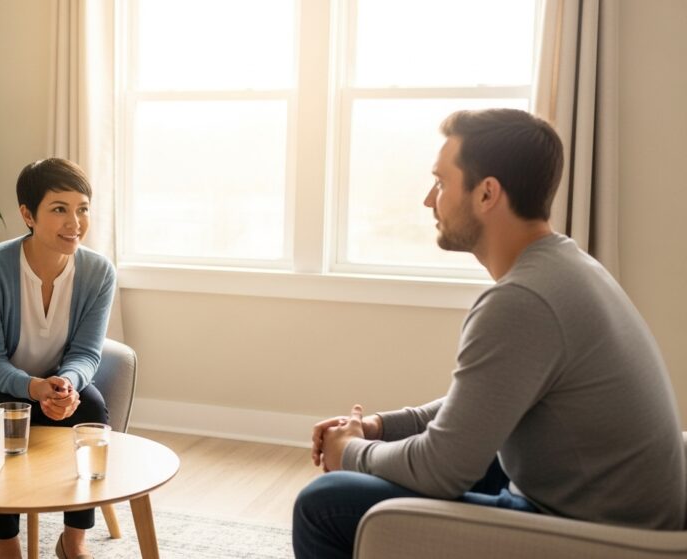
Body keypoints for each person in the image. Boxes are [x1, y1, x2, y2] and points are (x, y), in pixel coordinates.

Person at [293, 108, 686, 558]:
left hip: (602, 536)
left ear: (486, 193)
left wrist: (349, 451)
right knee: (456, 453)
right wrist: (380, 428)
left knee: (323, 504)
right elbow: (485, 402)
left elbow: (441, 468)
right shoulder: (567, 267)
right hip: (615, 508)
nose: (428, 200)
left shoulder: (522, 300)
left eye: (440, 182)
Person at [0, 158, 115, 559]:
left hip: (50, 382)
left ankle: (74, 541)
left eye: (83, 209)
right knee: (4, 412)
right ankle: (6, 542)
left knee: (91, 408)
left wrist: (67, 385)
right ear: (27, 215)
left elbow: (87, 352)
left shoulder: (99, 272)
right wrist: (34, 388)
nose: (75, 222)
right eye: (59, 209)